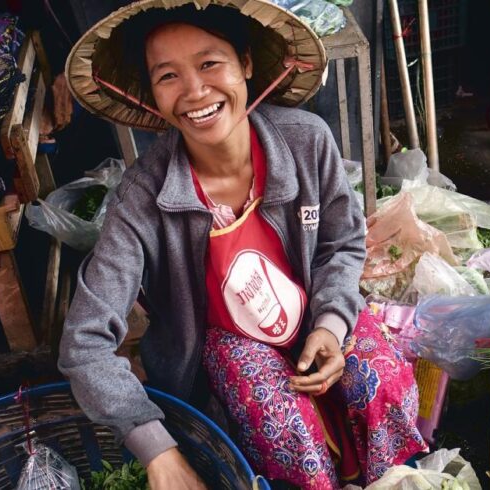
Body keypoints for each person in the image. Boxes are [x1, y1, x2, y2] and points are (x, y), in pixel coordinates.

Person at [59, 1, 427, 488]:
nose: (194, 91)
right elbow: (84, 343)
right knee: (288, 435)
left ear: (246, 64)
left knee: (380, 386)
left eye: (210, 63)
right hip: (227, 344)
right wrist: (155, 447)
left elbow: (341, 243)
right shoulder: (140, 198)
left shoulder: (306, 142)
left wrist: (332, 324)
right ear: (152, 93)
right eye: (168, 76)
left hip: (310, 306)